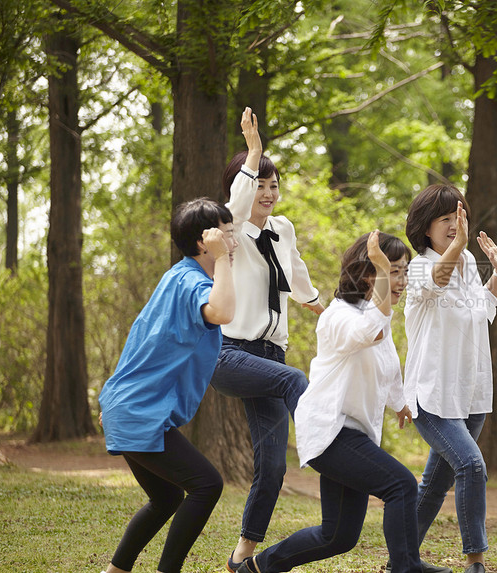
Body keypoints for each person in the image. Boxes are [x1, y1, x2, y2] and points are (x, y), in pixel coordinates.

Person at [236, 230, 421, 573]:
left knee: (337, 535)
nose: (401, 280)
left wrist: (400, 402)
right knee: (401, 485)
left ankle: (256, 567)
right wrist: (383, 277)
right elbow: (366, 334)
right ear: (368, 274)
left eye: (403, 271)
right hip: (331, 431)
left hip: (353, 434)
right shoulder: (337, 316)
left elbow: (388, 363)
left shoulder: (375, 312)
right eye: (394, 270)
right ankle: (407, 569)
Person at [211, 108, 323, 572]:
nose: (270, 193)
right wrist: (253, 152)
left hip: (270, 359)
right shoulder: (231, 232)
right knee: (296, 380)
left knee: (273, 466)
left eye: (274, 185)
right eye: (261, 184)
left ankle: (242, 556)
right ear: (244, 187)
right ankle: (330, 451)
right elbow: (235, 205)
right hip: (231, 354)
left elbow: (297, 278)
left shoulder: (284, 230)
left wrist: (319, 304)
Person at [98, 198, 238, 573]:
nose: (233, 243)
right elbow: (222, 311)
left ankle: (115, 571)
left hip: (128, 406)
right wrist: (222, 258)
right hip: (137, 409)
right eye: (226, 235)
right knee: (207, 485)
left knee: (167, 497)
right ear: (202, 243)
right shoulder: (191, 280)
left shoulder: (181, 275)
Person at [401, 184, 497, 573]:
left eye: (457, 217)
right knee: (471, 465)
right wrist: (459, 244)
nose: (452, 225)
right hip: (431, 395)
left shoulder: (467, 266)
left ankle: (402, 559)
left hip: (470, 394)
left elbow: (484, 312)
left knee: (434, 485)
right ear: (425, 227)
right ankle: (476, 561)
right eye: (445, 219)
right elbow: (436, 280)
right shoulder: (417, 267)